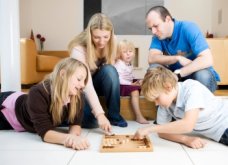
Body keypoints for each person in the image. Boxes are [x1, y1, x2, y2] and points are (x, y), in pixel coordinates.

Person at [0, 58, 90, 150]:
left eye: (84, 81)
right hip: (7, 109)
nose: (83, 85)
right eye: (79, 79)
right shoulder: (38, 92)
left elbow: (75, 123)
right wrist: (67, 139)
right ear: (63, 74)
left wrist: (73, 138)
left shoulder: (78, 96)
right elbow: (45, 133)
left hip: (28, 106)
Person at [134, 66, 228, 149]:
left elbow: (188, 124)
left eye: (157, 98)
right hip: (219, 133)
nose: (156, 104)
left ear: (168, 87)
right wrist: (186, 139)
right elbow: (162, 131)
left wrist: (149, 129)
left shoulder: (192, 89)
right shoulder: (166, 103)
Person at [68, 13, 127, 130]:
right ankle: (66, 118)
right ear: (90, 34)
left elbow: (112, 72)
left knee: (110, 70)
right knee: (92, 123)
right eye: (96, 37)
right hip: (81, 87)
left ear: (111, 33)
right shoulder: (78, 49)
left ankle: (114, 116)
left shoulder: (113, 40)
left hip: (97, 81)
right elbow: (87, 84)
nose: (101, 42)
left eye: (105, 36)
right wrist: (100, 115)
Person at [146, 6, 220, 92]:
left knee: (202, 75)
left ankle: (200, 104)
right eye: (150, 28)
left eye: (156, 26)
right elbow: (152, 58)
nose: (153, 32)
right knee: (154, 68)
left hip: (196, 75)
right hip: (175, 76)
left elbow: (207, 59)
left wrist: (179, 74)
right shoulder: (157, 36)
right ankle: (165, 104)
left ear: (168, 19)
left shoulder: (189, 28)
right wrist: (177, 58)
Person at [114, 40, 149, 124]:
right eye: (125, 52)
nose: (128, 53)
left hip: (126, 82)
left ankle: (147, 100)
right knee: (134, 90)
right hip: (120, 85)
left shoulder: (128, 63)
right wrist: (131, 84)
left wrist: (136, 81)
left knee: (143, 81)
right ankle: (138, 116)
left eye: (130, 51)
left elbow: (129, 75)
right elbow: (118, 79)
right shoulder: (119, 64)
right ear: (119, 54)